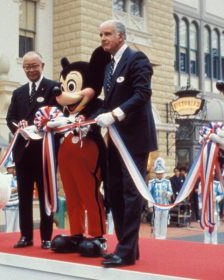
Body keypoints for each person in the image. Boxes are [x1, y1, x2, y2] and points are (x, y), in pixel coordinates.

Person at [95, 19, 158, 267]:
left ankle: (126, 250)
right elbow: (106, 103)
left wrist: (116, 114)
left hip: (134, 140)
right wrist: (79, 118)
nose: (103, 39)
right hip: (115, 139)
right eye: (100, 34)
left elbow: (142, 94)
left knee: (132, 195)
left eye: (107, 34)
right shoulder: (109, 67)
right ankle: (126, 247)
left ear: (121, 36)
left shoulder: (137, 59)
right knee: (114, 192)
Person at [6, 51, 60, 249]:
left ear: (42, 66)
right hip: (23, 153)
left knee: (46, 195)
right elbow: (9, 119)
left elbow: (58, 117)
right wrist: (20, 130)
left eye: (34, 66)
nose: (31, 70)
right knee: (24, 197)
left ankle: (46, 237)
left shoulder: (53, 88)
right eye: (27, 67)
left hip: (44, 153)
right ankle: (25, 236)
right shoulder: (18, 93)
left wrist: (38, 129)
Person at [148, 158, 173, 240]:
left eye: (161, 173)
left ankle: (163, 236)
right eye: (158, 174)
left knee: (164, 221)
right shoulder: (152, 182)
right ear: (155, 173)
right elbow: (149, 195)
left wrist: (167, 194)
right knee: (156, 221)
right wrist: (150, 206)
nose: (160, 175)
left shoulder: (167, 182)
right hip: (156, 205)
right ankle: (157, 236)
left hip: (165, 205)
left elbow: (171, 192)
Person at [198, 178, 224, 244]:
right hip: (205, 208)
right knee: (206, 226)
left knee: (214, 226)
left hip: (214, 208)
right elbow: (199, 195)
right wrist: (201, 207)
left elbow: (222, 194)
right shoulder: (201, 183)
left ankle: (214, 242)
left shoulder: (217, 183)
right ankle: (206, 242)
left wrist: (216, 198)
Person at [3, 159, 19, 233]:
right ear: (8, 168)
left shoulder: (18, 176)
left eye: (14, 167)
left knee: (17, 226)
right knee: (10, 225)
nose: (13, 169)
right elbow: (2, 189)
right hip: (9, 204)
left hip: (18, 203)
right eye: (11, 168)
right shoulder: (4, 177)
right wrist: (11, 190)